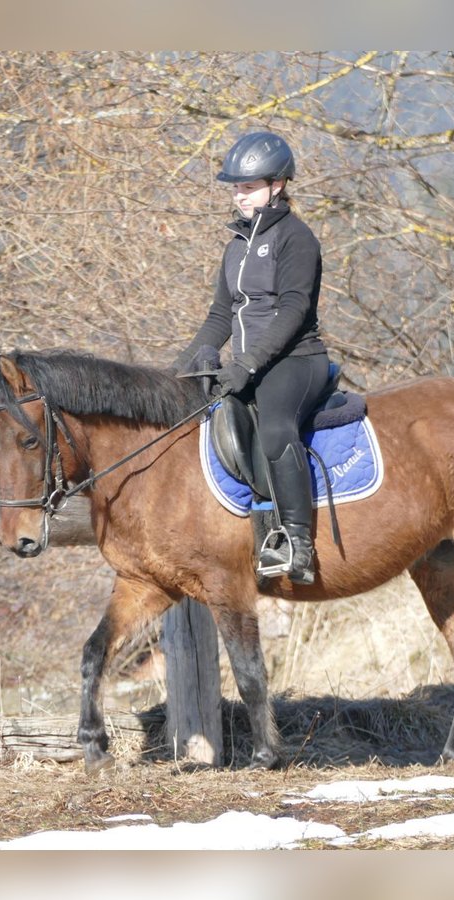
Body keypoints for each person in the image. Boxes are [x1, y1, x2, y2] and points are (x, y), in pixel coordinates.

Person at [172, 131, 330, 585]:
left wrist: (247, 364)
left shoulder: (296, 239)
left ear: (277, 184)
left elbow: (294, 310)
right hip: (247, 364)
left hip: (297, 361)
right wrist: (182, 367)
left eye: (248, 187)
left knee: (277, 424)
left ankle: (298, 542)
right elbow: (221, 314)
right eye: (236, 188)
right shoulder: (235, 246)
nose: (239, 196)